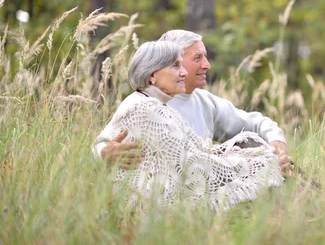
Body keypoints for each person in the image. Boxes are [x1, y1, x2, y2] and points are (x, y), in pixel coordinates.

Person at [98, 40, 284, 211]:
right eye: (175, 66)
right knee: (264, 173)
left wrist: (255, 155)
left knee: (253, 147)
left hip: (160, 199)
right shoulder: (145, 108)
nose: (184, 72)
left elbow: (198, 150)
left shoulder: (152, 103)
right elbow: (193, 164)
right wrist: (262, 165)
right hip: (154, 208)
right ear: (153, 75)